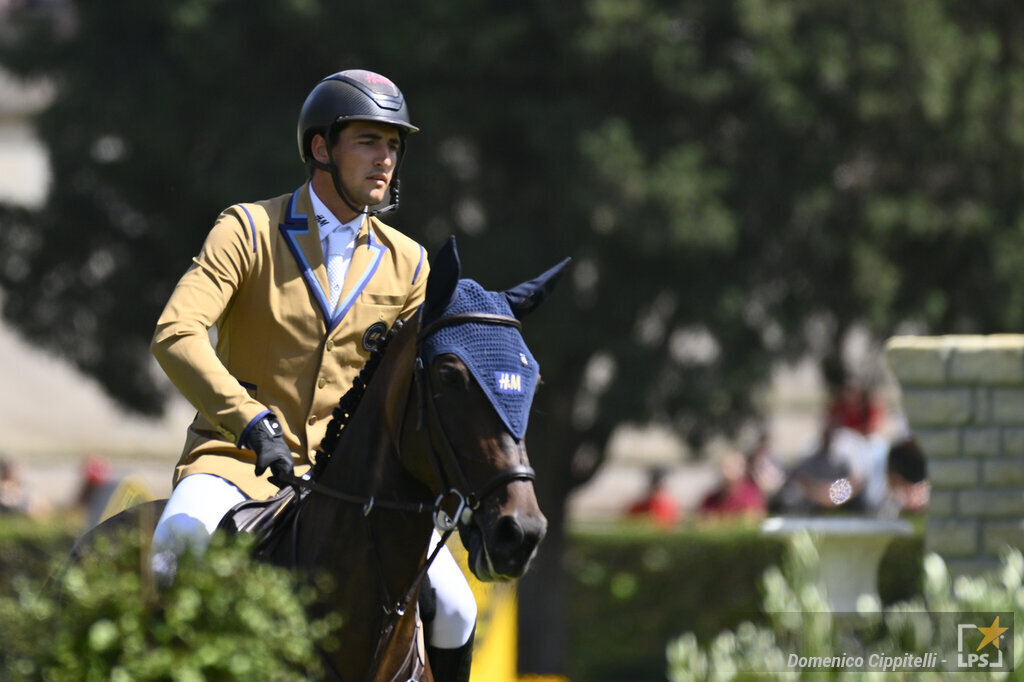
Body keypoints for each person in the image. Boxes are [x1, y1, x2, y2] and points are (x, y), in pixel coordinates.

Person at [149, 69, 476, 681]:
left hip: (356, 486)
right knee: (172, 555)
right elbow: (176, 334)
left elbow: (423, 386)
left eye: (393, 145)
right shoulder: (247, 230)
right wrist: (250, 422)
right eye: (369, 141)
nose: (385, 159)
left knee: (458, 608)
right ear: (321, 147)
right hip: (236, 462)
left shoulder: (410, 264)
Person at [698, 450, 766, 519]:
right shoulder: (711, 499)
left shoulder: (751, 496)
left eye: (734, 466)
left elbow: (752, 519)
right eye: (726, 466)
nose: (727, 471)